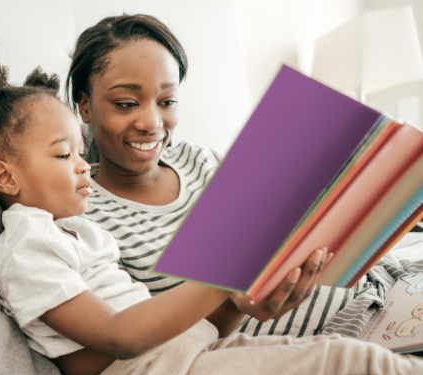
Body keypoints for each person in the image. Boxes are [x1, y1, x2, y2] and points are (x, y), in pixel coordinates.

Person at [0, 61, 423, 375]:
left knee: (325, 354)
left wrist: (246, 291)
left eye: (80, 150)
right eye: (62, 154)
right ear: (5, 176)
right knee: (348, 363)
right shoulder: (26, 246)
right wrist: (229, 273)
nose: (81, 165)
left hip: (187, 356)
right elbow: (120, 335)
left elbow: (186, 326)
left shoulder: (77, 230)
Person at [66, 14, 380, 340]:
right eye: (126, 103)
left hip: (379, 285)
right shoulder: (82, 212)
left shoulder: (198, 159)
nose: (152, 122)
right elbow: (160, 346)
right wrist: (238, 305)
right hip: (344, 331)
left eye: (167, 101)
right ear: (85, 106)